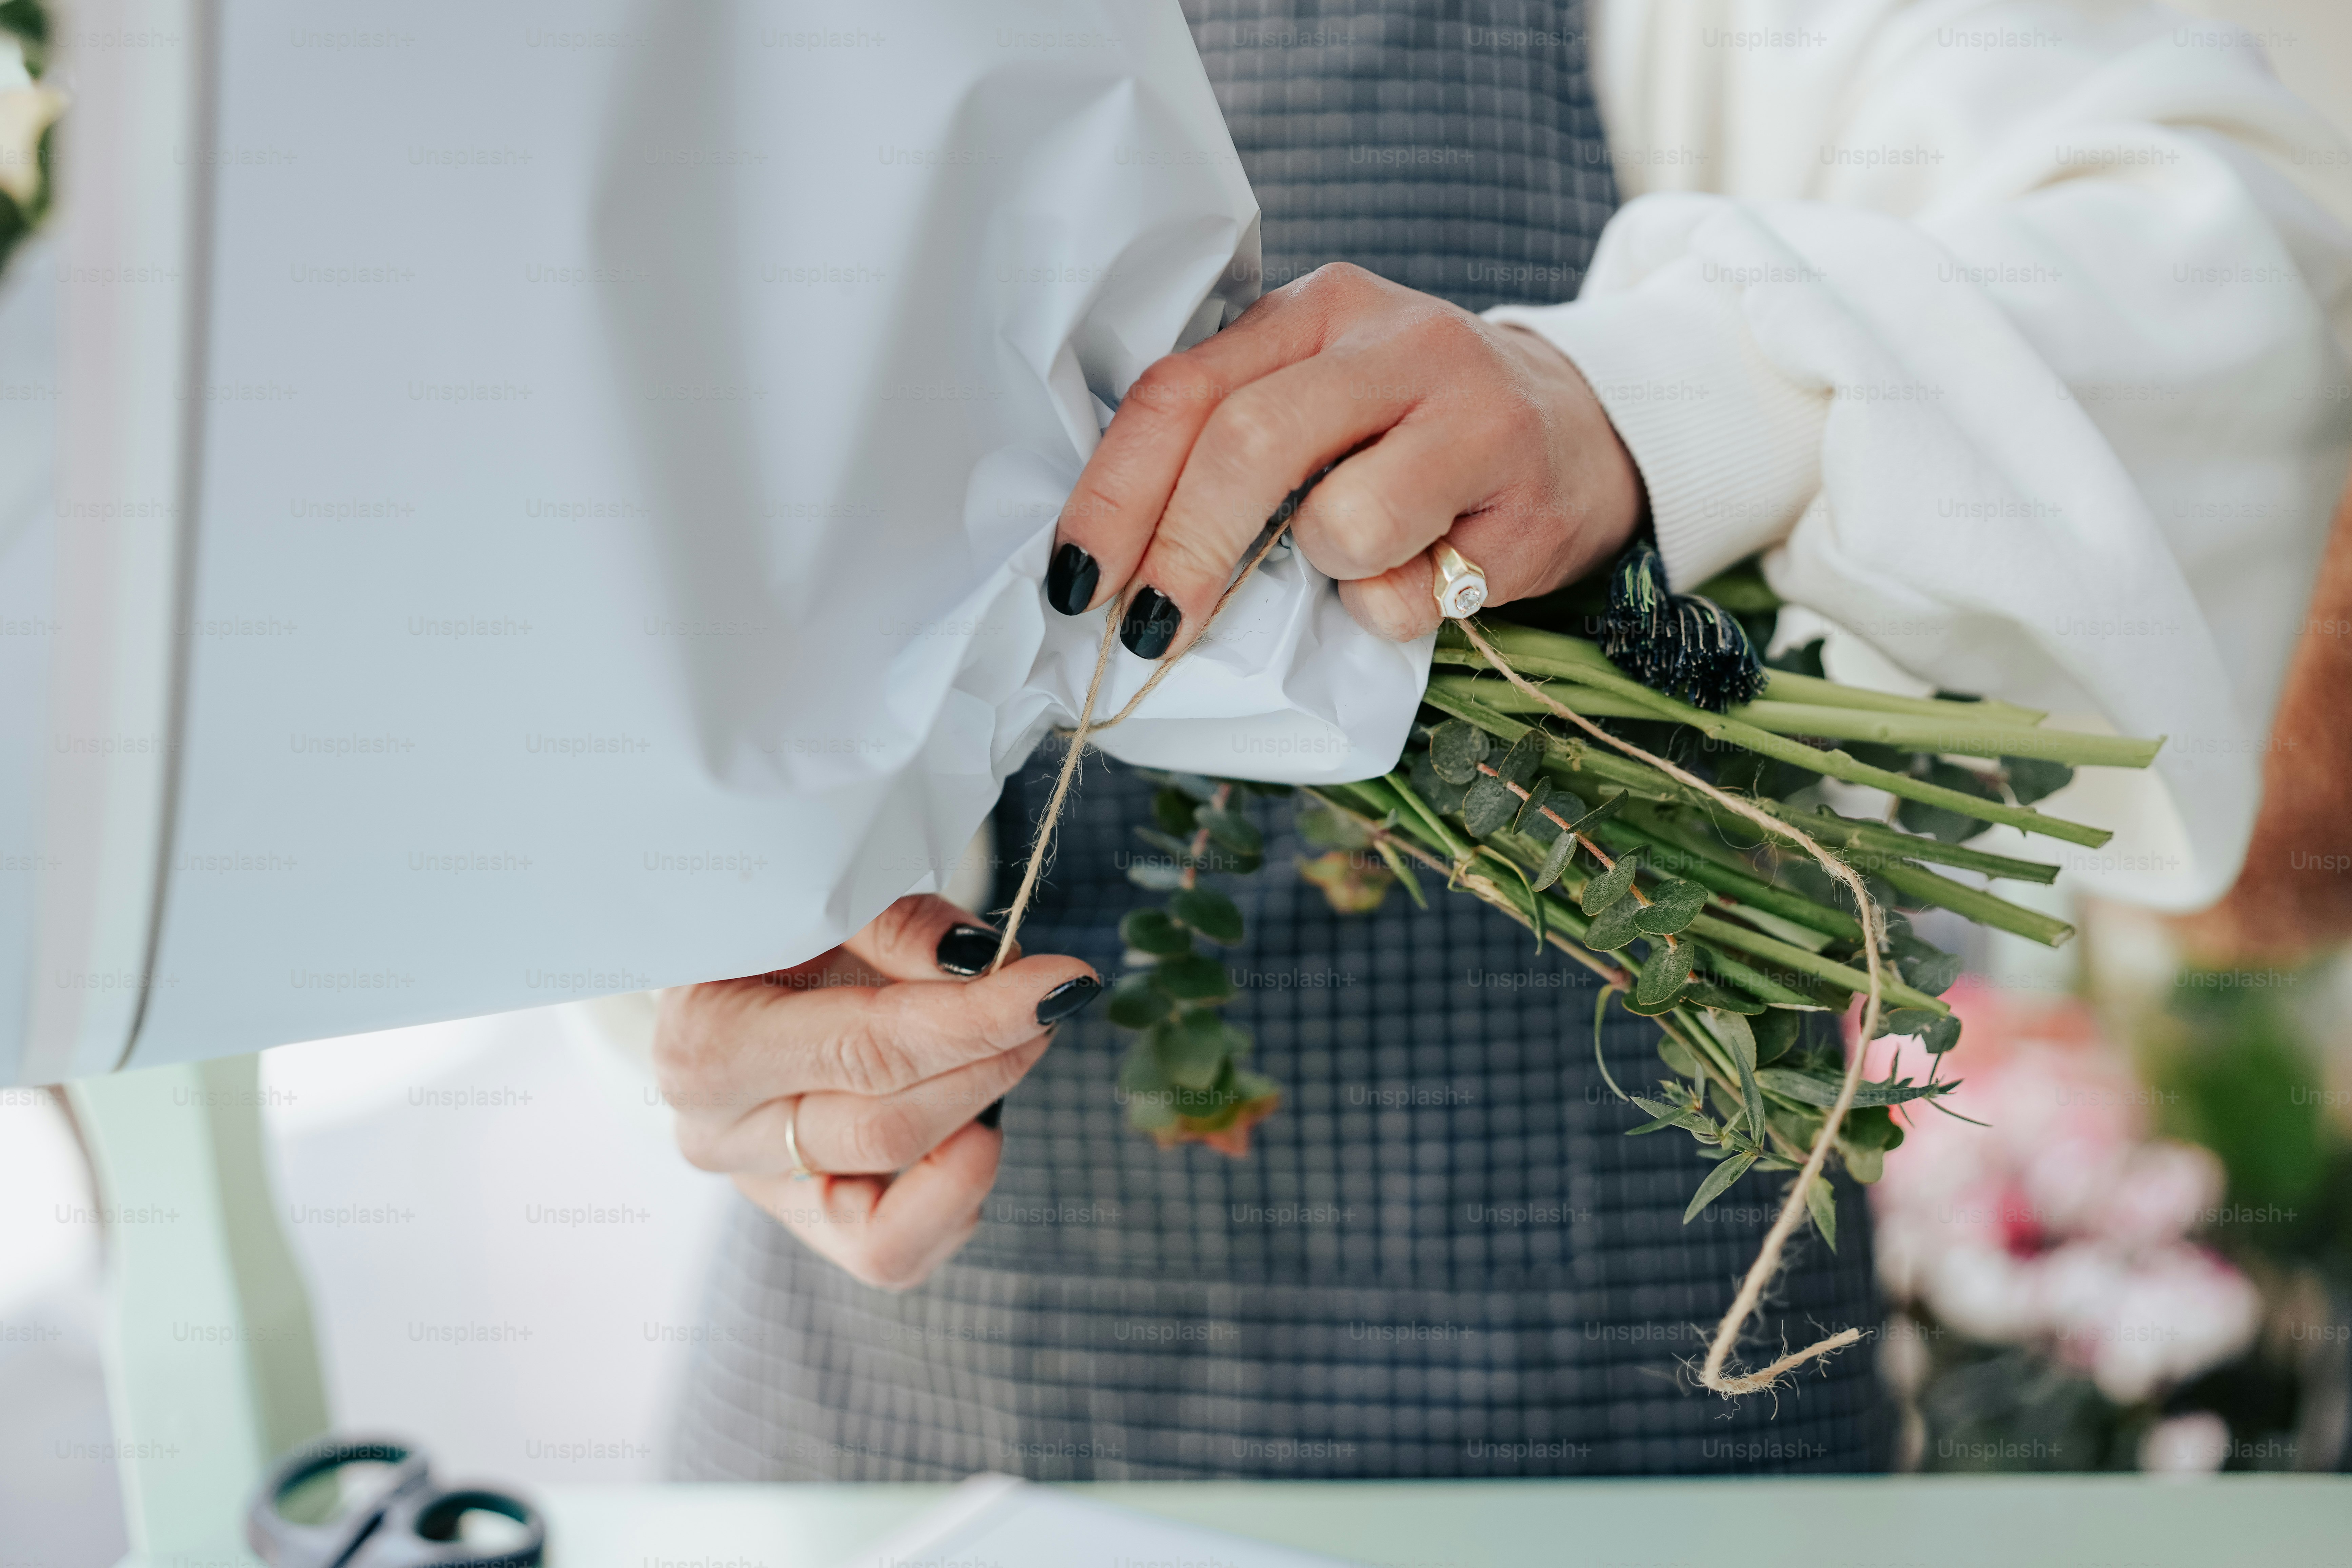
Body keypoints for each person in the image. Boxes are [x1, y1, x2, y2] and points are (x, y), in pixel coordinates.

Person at [653, 0, 2351, 1480]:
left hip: (1628, 1444)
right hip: (903, 1448)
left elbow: (2217, 260)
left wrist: (1645, 403)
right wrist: (711, 967)